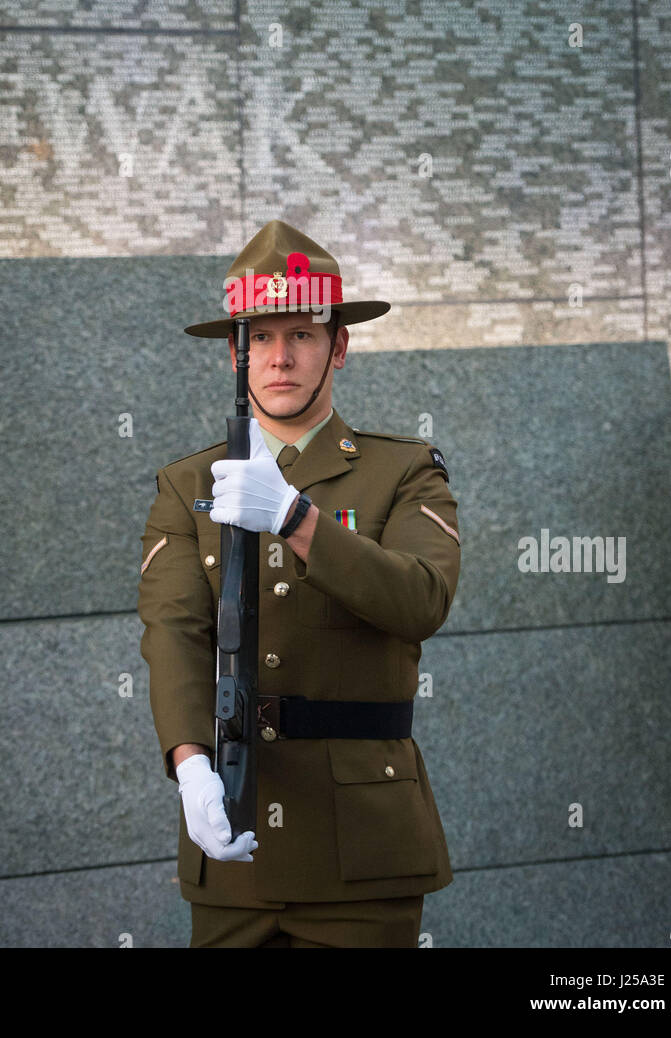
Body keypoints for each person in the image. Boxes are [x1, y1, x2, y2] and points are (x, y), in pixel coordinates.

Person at [138, 219, 461, 948]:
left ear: (338, 346)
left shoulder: (403, 471)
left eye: (303, 335)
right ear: (234, 351)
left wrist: (295, 518)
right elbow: (174, 635)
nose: (278, 357)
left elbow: (419, 601)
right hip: (232, 831)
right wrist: (188, 766)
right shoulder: (187, 482)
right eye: (260, 337)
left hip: (362, 848)